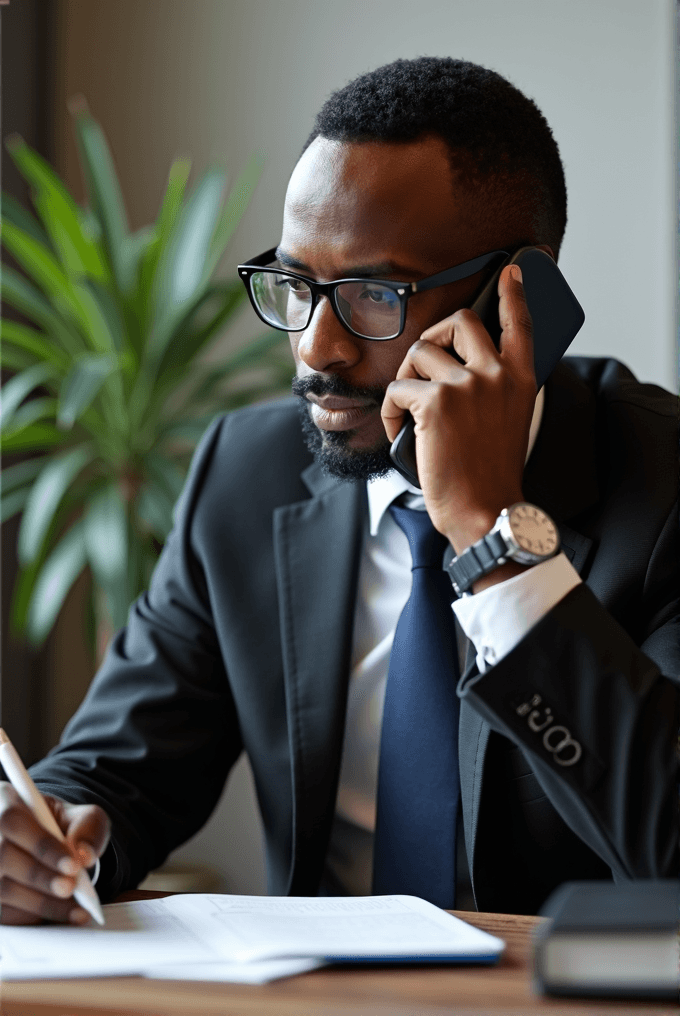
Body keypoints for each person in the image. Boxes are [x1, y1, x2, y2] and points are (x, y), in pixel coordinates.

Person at [0, 57, 677, 926]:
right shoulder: (245, 475)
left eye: (372, 294)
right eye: (297, 286)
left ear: (523, 298)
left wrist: (491, 532)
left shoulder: (662, 491)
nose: (318, 349)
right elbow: (114, 769)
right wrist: (44, 832)